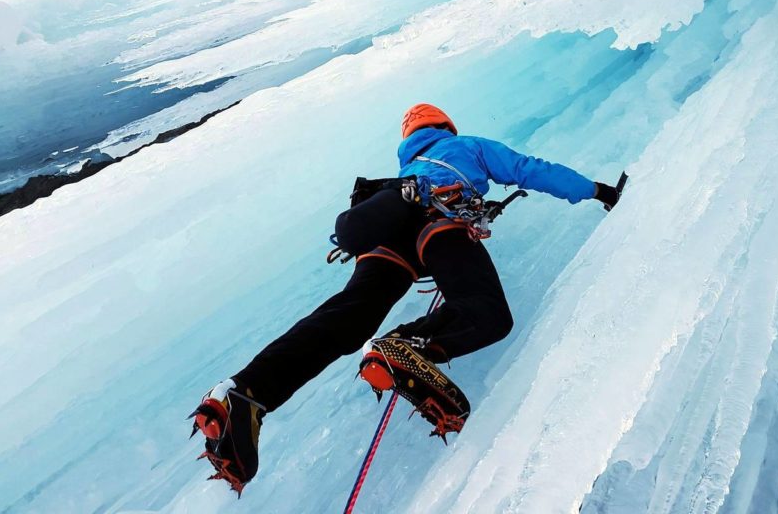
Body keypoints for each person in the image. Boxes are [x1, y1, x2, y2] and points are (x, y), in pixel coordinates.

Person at [189, 104, 621, 494]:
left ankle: (243, 391)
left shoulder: (403, 175)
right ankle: (407, 345)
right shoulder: (465, 147)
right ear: (445, 127)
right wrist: (599, 191)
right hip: (438, 223)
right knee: (486, 311)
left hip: (385, 239)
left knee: (348, 316)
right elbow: (530, 169)